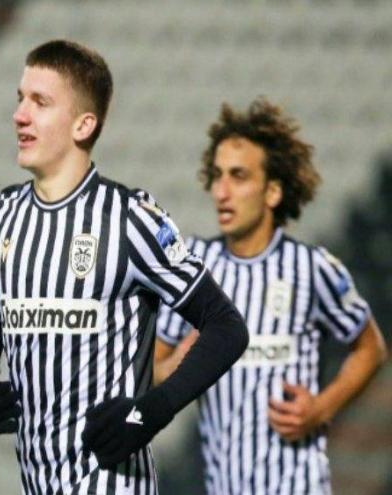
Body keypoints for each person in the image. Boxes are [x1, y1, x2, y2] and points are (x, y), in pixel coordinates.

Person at [0, 39, 250, 494]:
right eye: (20, 99)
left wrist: (151, 411)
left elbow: (226, 326)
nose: (19, 115)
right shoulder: (3, 216)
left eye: (40, 102)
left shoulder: (131, 219)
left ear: (83, 124)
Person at [153, 98, 387, 494]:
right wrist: (179, 364)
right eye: (217, 176)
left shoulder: (312, 267)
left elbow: (371, 349)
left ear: (273, 191)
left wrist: (322, 408)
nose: (221, 191)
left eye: (238, 176)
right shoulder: (193, 269)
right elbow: (155, 367)